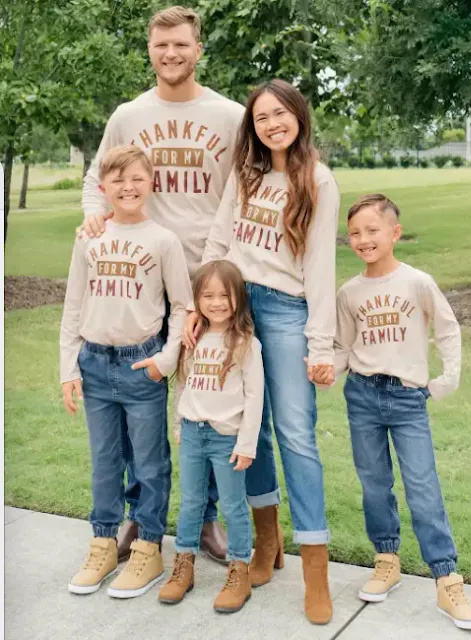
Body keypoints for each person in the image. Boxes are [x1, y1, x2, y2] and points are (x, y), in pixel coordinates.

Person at [79, 5, 245, 563]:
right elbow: (94, 178)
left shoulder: (229, 115)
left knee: (210, 408)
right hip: (143, 285)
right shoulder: (129, 115)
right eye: (160, 45)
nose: (170, 54)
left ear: (199, 49)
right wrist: (93, 219)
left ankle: (203, 520)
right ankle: (138, 516)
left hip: (210, 280)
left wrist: (214, 286)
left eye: (180, 45)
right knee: (139, 408)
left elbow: (241, 194)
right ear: (149, 50)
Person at [186, 79, 340, 625]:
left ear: (298, 116)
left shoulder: (316, 179)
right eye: (261, 117)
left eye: (281, 114)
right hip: (236, 307)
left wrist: (320, 344)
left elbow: (321, 267)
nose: (272, 123)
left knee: (296, 435)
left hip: (286, 312)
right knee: (245, 427)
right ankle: (266, 542)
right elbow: (218, 243)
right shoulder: (246, 173)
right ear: (252, 126)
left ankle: (315, 573)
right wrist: (199, 306)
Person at [331, 193, 471, 630]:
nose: (363, 239)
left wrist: (448, 377)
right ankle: (386, 560)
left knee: (422, 486)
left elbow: (448, 328)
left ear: (394, 233)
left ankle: (446, 578)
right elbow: (344, 347)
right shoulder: (350, 292)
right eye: (355, 233)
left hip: (407, 398)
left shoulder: (416, 281)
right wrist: (326, 368)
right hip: (361, 395)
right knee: (374, 482)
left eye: (372, 231)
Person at [61, 145, 192, 598]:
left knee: (151, 463)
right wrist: (67, 370)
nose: (128, 187)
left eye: (137, 178)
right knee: (105, 462)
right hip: (95, 364)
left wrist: (166, 360)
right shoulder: (89, 237)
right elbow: (73, 306)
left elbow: (183, 306)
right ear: (103, 188)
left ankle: (149, 548)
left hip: (142, 366)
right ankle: (102, 542)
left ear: (151, 183)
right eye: (117, 180)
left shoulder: (163, 240)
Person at [158, 260, 263, 612]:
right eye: (208, 295)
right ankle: (183, 565)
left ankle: (239, 570)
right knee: (190, 502)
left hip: (227, 438)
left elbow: (254, 396)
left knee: (233, 506)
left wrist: (247, 443)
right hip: (192, 432)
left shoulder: (246, 343)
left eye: (225, 295)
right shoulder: (194, 337)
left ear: (239, 299)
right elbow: (183, 384)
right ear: (197, 299)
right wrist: (177, 425)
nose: (217, 302)